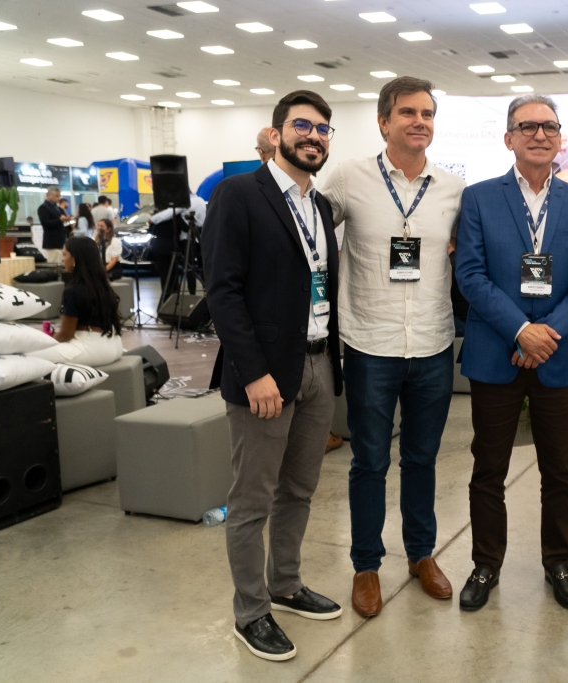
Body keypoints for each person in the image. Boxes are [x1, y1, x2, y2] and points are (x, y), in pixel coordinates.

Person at [202, 89, 344, 662]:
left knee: (300, 490)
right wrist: (254, 372)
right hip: (265, 375)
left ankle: (285, 584)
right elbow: (223, 291)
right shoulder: (239, 194)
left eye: (323, 129)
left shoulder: (321, 206)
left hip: (318, 364)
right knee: (251, 499)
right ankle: (250, 612)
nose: (313, 137)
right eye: (302, 126)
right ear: (277, 132)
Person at [321, 76, 464, 618]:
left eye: (427, 113)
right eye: (408, 112)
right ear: (384, 122)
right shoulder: (348, 178)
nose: (419, 122)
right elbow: (307, 235)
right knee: (370, 462)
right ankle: (366, 565)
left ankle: (421, 554)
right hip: (370, 344)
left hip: (431, 343)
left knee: (422, 459)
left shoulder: (452, 189)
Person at [454, 94, 568, 612]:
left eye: (549, 126)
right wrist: (520, 330)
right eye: (528, 126)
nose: (540, 134)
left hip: (556, 358)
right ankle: (485, 564)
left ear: (560, 138)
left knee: (558, 471)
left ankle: (558, 562)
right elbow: (470, 275)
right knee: (488, 470)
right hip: (496, 353)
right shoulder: (479, 198)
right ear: (509, 138)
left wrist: (546, 334)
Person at [29, 236, 123, 367]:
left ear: (75, 259)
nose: (63, 259)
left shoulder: (74, 290)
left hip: (92, 349)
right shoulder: (102, 284)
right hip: (115, 345)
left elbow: (66, 334)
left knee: (28, 354)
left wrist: (49, 340)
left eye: (65, 254)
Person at [148, 192, 208, 304]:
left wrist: (152, 219)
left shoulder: (183, 203)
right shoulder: (200, 200)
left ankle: (192, 295)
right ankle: (206, 291)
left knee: (189, 268)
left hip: (187, 239)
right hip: (200, 237)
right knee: (202, 267)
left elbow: (167, 214)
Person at [37, 186, 68, 263]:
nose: (59, 198)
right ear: (49, 195)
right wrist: (59, 220)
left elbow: (61, 218)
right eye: (57, 196)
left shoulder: (56, 207)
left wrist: (66, 219)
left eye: (59, 196)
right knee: (54, 264)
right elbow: (46, 223)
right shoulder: (43, 208)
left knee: (61, 263)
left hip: (60, 241)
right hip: (52, 242)